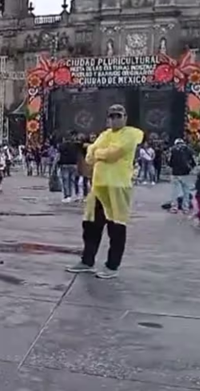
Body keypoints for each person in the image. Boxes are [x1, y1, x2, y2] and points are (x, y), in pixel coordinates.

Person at [66, 104, 143, 279]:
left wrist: (96, 152)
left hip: (117, 186)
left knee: (116, 227)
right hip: (98, 186)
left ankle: (112, 266)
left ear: (125, 117)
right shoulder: (104, 135)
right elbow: (89, 155)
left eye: (118, 116)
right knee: (91, 225)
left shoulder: (131, 134)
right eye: (112, 116)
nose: (115, 119)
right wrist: (97, 152)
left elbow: (113, 153)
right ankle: (87, 261)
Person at [168, 138, 196, 213]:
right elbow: (194, 162)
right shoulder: (188, 150)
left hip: (175, 173)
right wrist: (189, 169)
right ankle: (185, 208)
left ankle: (174, 208)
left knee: (175, 192)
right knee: (186, 191)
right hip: (185, 173)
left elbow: (170, 162)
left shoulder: (173, 150)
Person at [58, 131, 83, 203]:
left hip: (64, 164)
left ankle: (67, 196)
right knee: (72, 181)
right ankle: (73, 194)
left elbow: (59, 154)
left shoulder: (62, 145)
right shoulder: (76, 145)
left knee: (65, 181)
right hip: (73, 164)